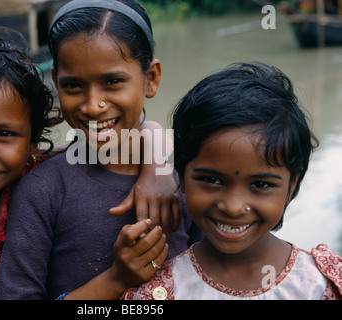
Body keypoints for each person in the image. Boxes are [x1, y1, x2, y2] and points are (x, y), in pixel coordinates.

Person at [0, 26, 177, 300]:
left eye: (5, 134)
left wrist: (157, 169)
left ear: (32, 142)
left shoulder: (42, 175)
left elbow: (141, 131)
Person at [0, 0, 202, 300]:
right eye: (73, 86)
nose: (93, 105)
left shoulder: (184, 184)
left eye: (113, 81)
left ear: (151, 79)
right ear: (55, 82)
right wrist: (116, 279)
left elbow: (219, 281)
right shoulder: (43, 190)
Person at [124, 62, 342, 300]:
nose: (234, 206)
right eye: (212, 180)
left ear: (291, 186)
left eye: (260, 185)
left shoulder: (321, 286)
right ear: (182, 176)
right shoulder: (158, 292)